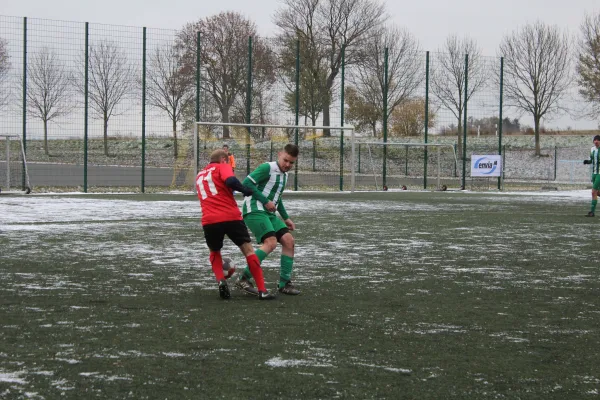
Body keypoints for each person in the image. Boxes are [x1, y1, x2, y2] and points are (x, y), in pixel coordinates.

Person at [196, 149, 275, 300]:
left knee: (214, 251)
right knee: (249, 251)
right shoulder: (222, 166)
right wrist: (245, 190)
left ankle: (221, 281)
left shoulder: (200, 175)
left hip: (210, 220)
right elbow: (231, 181)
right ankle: (262, 290)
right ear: (223, 159)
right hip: (230, 216)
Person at [236, 144, 301, 296]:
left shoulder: (284, 175)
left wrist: (286, 218)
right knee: (270, 243)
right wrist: (265, 200)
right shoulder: (267, 168)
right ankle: (244, 278)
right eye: (285, 160)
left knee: (288, 241)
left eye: (291, 162)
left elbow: (277, 199)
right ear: (279, 154)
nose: (287, 165)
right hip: (254, 209)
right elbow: (246, 183)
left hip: (268, 212)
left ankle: (284, 283)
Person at [583, 135, 600, 217]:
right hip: (594, 173)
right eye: (595, 140)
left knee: (593, 192)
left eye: (598, 140)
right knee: (597, 193)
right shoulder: (592, 149)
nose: (596, 141)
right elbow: (591, 160)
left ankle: (592, 212)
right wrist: (587, 161)